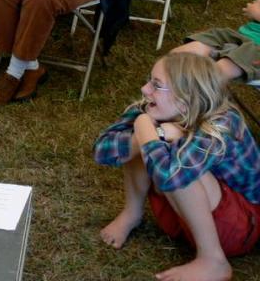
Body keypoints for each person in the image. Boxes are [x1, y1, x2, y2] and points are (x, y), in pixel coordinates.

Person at [94, 53, 260, 281]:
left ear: (185, 98)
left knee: (171, 157)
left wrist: (149, 133)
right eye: (149, 80)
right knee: (143, 140)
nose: (144, 89)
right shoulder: (153, 108)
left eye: (156, 85)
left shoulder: (223, 123)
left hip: (240, 227)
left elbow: (171, 177)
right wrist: (146, 131)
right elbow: (101, 151)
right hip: (190, 213)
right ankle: (132, 213)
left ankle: (213, 260)